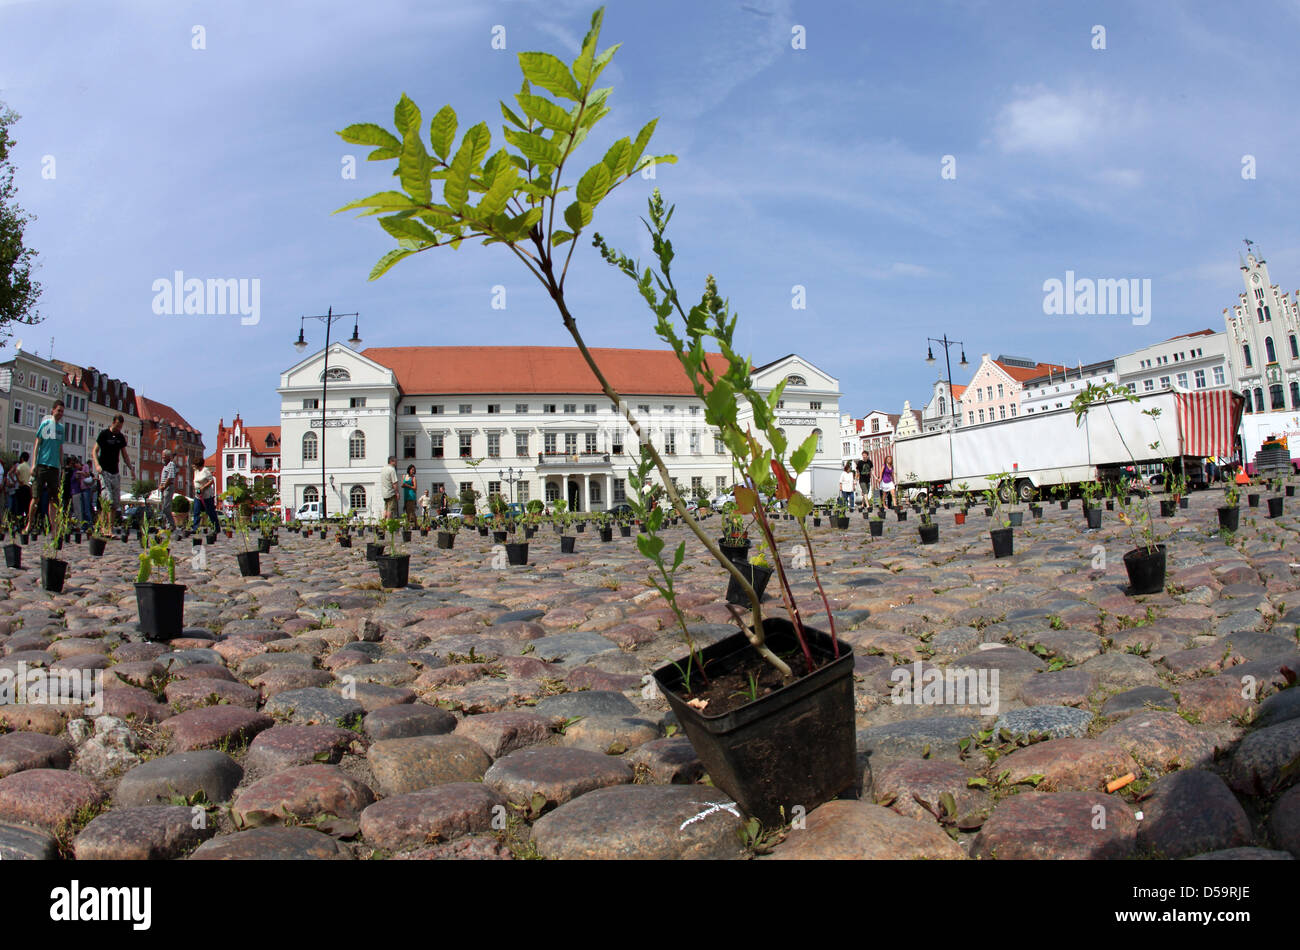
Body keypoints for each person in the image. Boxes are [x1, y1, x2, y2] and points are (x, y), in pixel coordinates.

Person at [26, 400, 66, 534]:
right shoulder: (45, 424)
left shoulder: (61, 429)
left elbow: (60, 448)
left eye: (62, 411)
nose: (60, 413)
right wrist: (33, 464)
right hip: (42, 465)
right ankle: (29, 524)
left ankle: (54, 528)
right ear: (53, 410)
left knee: (54, 499)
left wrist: (62, 466)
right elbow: (37, 444)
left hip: (54, 467)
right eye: (58, 410)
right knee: (36, 497)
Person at [93, 413, 135, 526]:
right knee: (107, 500)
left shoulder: (120, 437)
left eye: (120, 427)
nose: (118, 429)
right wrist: (97, 465)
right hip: (104, 471)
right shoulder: (104, 434)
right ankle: (103, 528)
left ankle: (110, 528)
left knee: (115, 503)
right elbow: (94, 451)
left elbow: (124, 455)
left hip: (115, 472)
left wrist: (131, 468)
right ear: (113, 423)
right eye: (117, 427)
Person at [191, 457, 219, 531]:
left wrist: (203, 488)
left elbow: (211, 481)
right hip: (198, 496)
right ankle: (195, 528)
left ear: (198, 464)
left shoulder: (205, 470)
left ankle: (216, 527)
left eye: (194, 465)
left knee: (210, 512)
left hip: (207, 496)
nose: (193, 466)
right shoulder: (196, 471)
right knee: (196, 511)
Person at [158, 449, 177, 528]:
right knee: (163, 507)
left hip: (168, 487)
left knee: (166, 507)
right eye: (162, 456)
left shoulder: (171, 464)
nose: (162, 458)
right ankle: (166, 524)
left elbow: (170, 477)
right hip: (164, 488)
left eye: (164, 456)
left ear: (168, 457)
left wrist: (163, 486)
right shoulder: (165, 466)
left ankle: (172, 524)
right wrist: (160, 485)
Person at [12, 452, 32, 524]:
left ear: (22, 458)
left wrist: (17, 480)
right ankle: (26, 523)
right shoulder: (29, 467)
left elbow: (15, 473)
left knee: (19, 507)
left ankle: (19, 523)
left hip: (21, 487)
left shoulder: (20, 466)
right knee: (26, 507)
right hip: (28, 488)